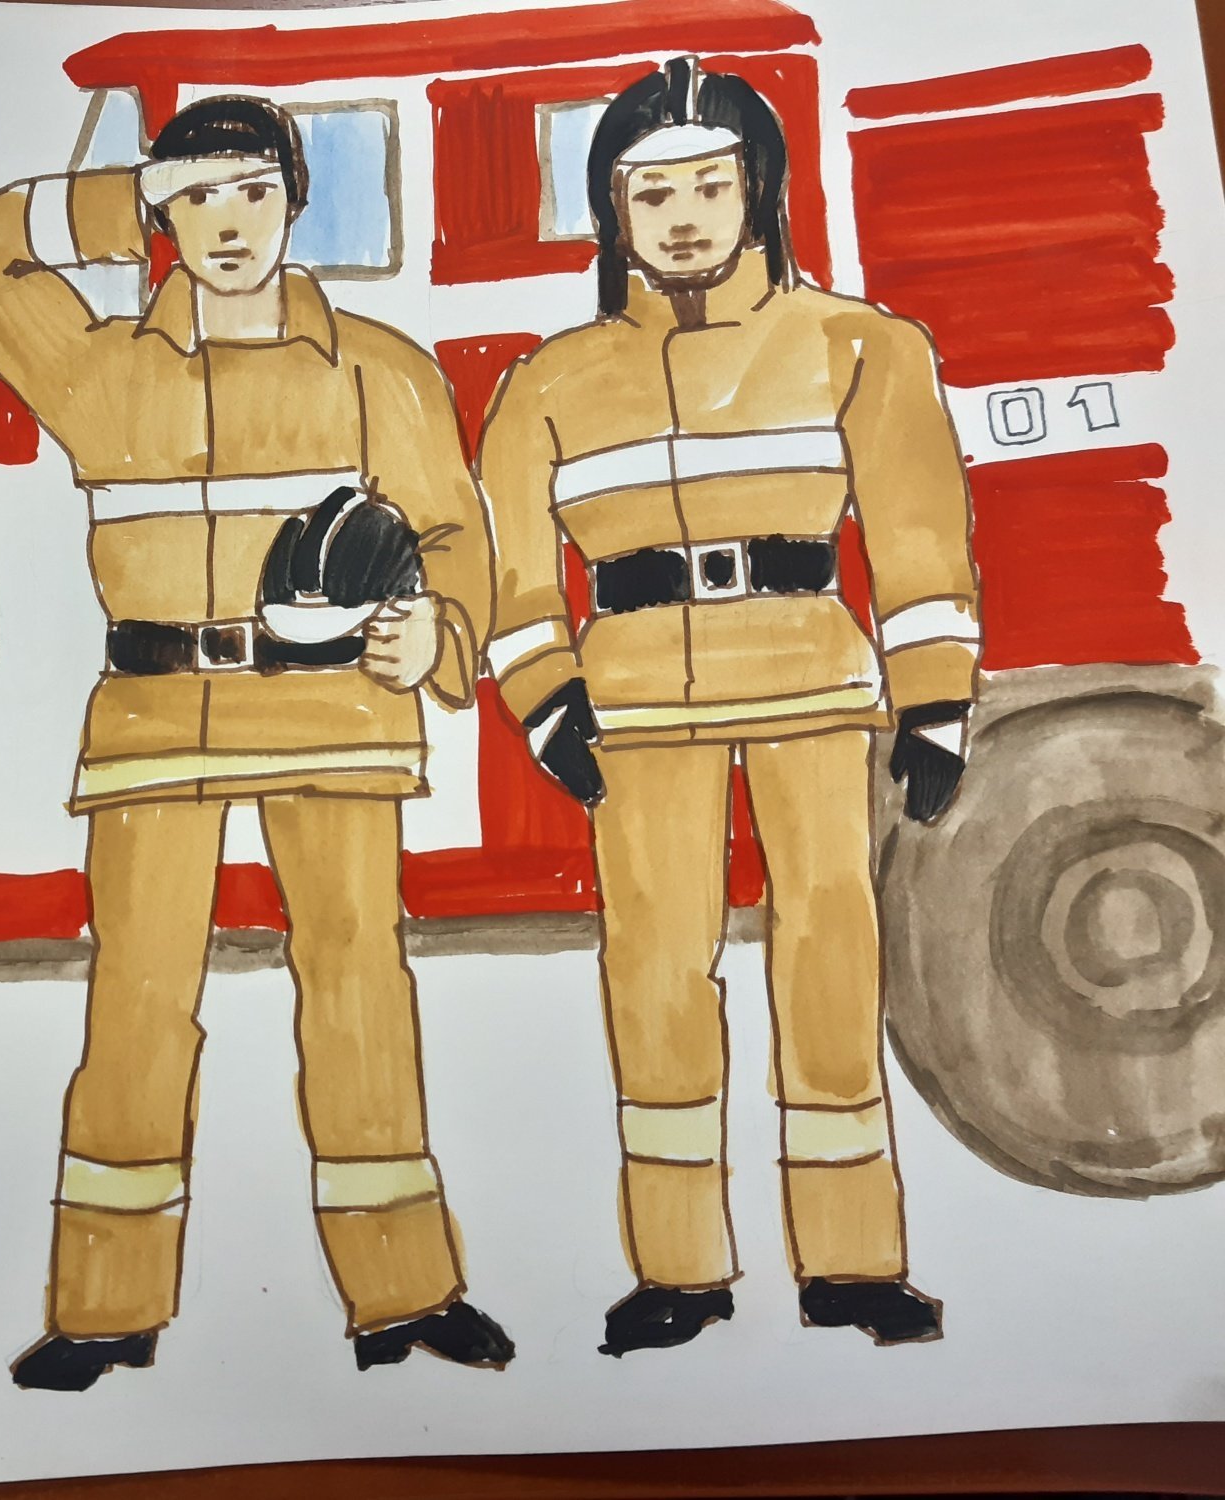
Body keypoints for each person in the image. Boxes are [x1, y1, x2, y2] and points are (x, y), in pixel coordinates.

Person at [0, 95, 513, 1390]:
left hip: (334, 714)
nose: (227, 222)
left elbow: (457, 534)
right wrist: (117, 197)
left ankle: (407, 1294)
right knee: (139, 998)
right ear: (161, 214)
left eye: (251, 190)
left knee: (358, 986)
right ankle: (104, 1310)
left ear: (295, 199)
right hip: (156, 721)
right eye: (193, 198)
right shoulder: (100, 371)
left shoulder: (380, 370)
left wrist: (440, 626)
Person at [479, 58, 981, 1357]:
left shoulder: (863, 345)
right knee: (653, 968)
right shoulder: (548, 382)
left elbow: (920, 538)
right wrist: (544, 698)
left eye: (711, 184)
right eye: (653, 194)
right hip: (636, 703)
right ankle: (679, 1269)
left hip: (812, 681)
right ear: (613, 210)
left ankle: (853, 1262)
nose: (685, 217)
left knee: (830, 948)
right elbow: (511, 570)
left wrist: (935, 705)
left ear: (760, 189)